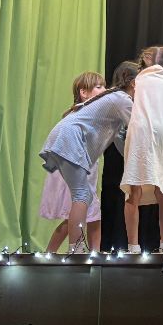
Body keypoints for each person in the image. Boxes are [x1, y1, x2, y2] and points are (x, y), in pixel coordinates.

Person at [38, 65, 136, 252]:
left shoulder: (109, 103)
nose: (103, 89)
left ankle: (79, 248)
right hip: (69, 141)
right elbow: (139, 127)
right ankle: (76, 248)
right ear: (134, 83)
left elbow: (121, 142)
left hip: (64, 140)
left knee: (85, 197)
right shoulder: (121, 99)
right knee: (82, 195)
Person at [121, 46, 163, 255]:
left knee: (134, 188)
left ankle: (133, 246)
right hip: (162, 133)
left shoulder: (140, 79)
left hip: (138, 131)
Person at [40, 72, 107, 253]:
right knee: (80, 214)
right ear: (83, 92)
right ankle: (58, 251)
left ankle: (92, 254)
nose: (104, 89)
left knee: (93, 216)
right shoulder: (82, 114)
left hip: (84, 169)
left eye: (104, 86)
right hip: (76, 170)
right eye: (99, 87)